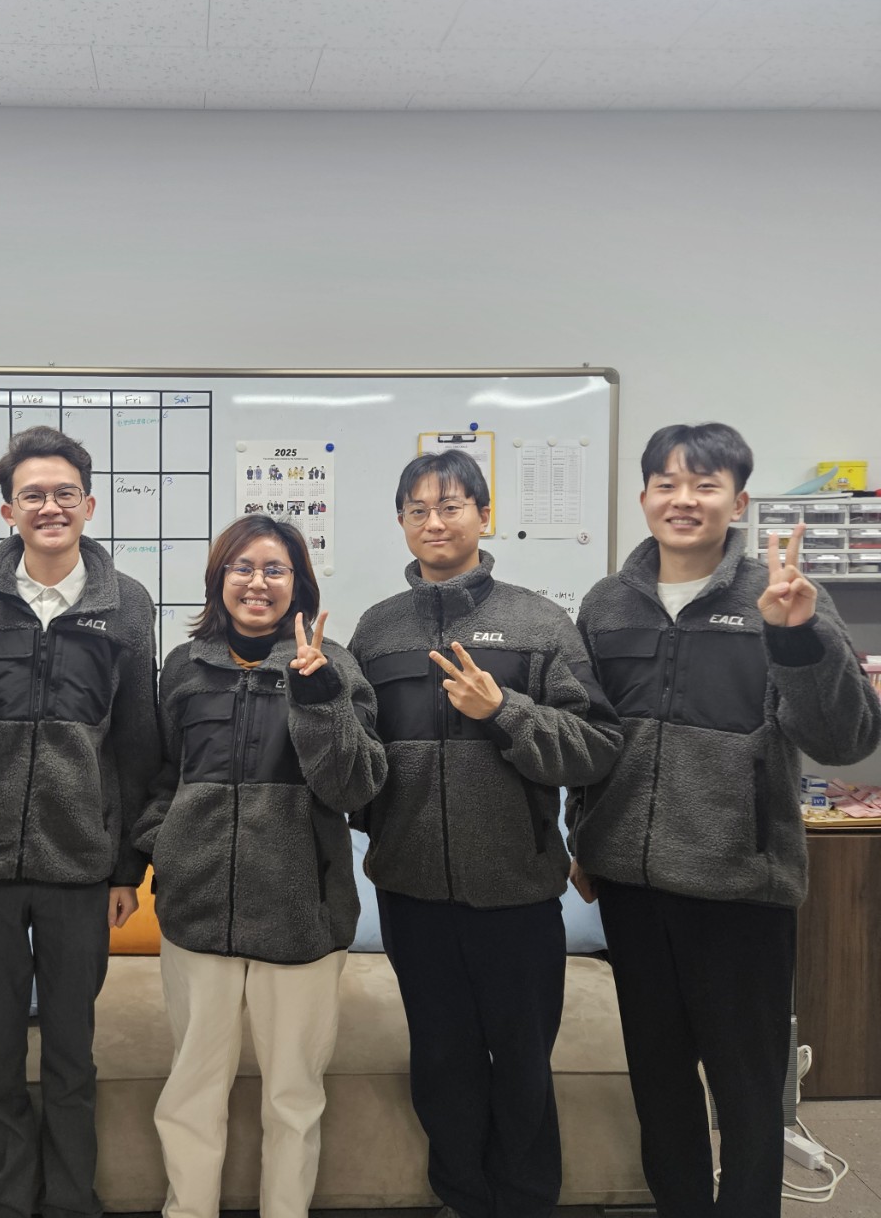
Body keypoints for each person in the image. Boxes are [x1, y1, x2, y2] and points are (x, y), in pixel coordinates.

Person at [571, 422, 881, 1218]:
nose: (684, 500)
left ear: (737, 502)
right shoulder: (606, 606)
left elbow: (845, 739)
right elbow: (589, 736)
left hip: (740, 887)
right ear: (644, 497)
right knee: (660, 1083)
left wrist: (797, 639)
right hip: (633, 887)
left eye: (705, 485)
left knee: (748, 1092)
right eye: (667, 484)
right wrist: (583, 837)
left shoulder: (784, 597)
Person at [348, 449, 622, 1218]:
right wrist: (383, 828)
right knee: (441, 1063)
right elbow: (360, 759)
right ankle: (462, 1199)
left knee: (524, 1065)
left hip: (516, 891)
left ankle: (527, 1203)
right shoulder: (377, 632)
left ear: (484, 514)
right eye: (418, 510)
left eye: (451, 505)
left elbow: (596, 745)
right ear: (401, 522)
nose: (434, 521)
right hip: (412, 893)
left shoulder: (539, 622)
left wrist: (503, 711)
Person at [0, 425, 160, 1218]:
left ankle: (74, 1200)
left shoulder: (127, 605)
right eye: (33, 495)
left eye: (65, 492)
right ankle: (8, 1202)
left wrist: (128, 868)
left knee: (73, 1054)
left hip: (80, 866)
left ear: (89, 504)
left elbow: (138, 743)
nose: (51, 507)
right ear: (9, 510)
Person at [134, 514, 385, 1218]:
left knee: (293, 1096)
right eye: (241, 568)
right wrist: (163, 846)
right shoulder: (184, 666)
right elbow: (163, 775)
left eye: (275, 569)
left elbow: (357, 786)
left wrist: (319, 696)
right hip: (196, 911)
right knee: (191, 1089)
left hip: (301, 914)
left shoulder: (334, 664)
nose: (257, 583)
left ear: (298, 584)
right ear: (219, 580)